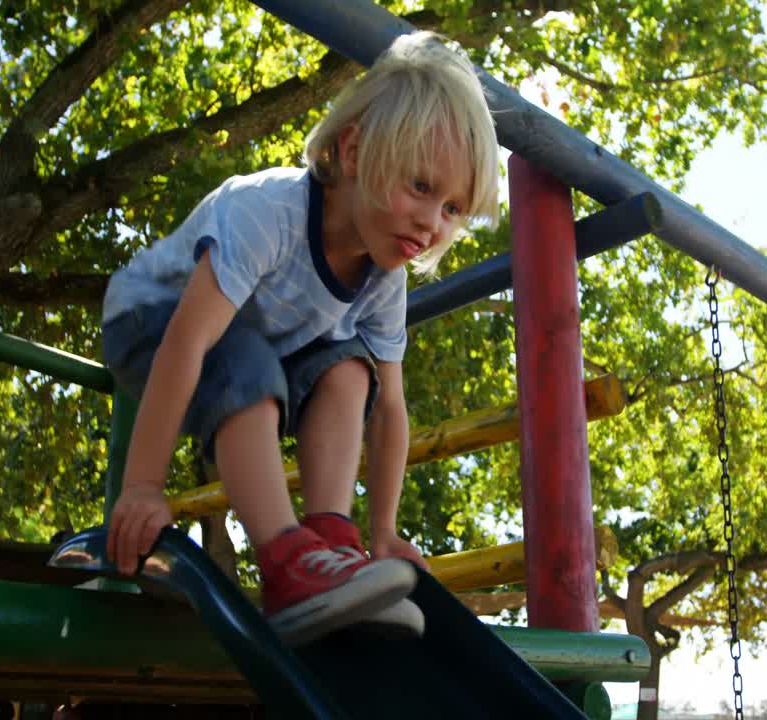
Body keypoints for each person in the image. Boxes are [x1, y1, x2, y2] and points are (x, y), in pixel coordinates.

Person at [101, 31, 500, 646]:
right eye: (421, 187)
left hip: (254, 355)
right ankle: (284, 555)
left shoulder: (381, 276)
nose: (432, 222)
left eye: (452, 208)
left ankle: (328, 539)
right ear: (355, 150)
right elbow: (187, 342)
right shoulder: (267, 213)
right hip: (152, 326)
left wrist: (384, 530)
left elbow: (390, 411)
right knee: (241, 352)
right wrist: (142, 486)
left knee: (350, 369)